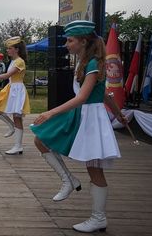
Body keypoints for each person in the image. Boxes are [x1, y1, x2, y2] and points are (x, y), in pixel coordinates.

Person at [30, 20, 124, 233]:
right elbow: (105, 94)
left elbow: (83, 97)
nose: (66, 44)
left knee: (95, 170)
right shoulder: (85, 61)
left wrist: (51, 112)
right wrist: (119, 114)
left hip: (90, 118)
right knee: (40, 139)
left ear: (83, 41)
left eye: (70, 40)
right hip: (82, 115)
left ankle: (98, 217)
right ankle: (68, 179)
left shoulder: (92, 64)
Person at [0, 36, 30, 155]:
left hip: (17, 89)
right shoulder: (13, 61)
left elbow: (7, 76)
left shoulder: (20, 61)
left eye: (10, 48)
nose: (7, 50)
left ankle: (18, 145)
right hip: (11, 88)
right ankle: (11, 126)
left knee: (17, 117)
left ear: (16, 49)